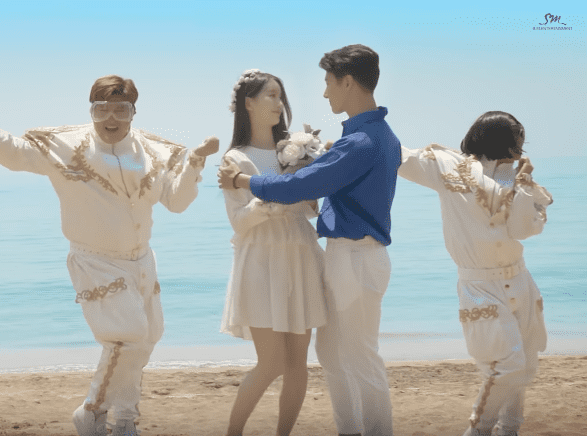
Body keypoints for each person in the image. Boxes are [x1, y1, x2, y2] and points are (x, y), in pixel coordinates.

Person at [0, 75, 219, 436]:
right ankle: (92, 412)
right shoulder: (66, 146)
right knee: (127, 336)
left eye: (121, 110)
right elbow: (16, 154)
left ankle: (125, 420)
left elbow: (176, 201)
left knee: (147, 338)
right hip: (94, 259)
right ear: (91, 110)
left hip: (142, 259)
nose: (111, 118)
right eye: (102, 109)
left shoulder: (154, 152)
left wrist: (195, 164)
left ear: (133, 112)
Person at [219, 44, 400, 436]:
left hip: (353, 256)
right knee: (333, 355)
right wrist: (316, 165)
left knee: (358, 357)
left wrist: (244, 181)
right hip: (342, 256)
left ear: (347, 82)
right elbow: (315, 193)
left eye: (329, 82)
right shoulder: (370, 137)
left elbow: (300, 188)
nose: (324, 92)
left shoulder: (361, 141)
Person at [398, 112, 552, 436]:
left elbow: (523, 230)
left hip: (520, 280)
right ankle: (478, 430)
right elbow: (402, 158)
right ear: (499, 140)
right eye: (516, 143)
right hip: (480, 284)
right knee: (506, 366)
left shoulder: (516, 177)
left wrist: (523, 186)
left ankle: (509, 430)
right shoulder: (446, 165)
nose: (519, 151)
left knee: (524, 364)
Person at [219, 69, 327, 436]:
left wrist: (310, 174)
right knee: (271, 363)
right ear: (248, 103)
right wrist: (274, 197)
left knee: (298, 363)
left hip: (300, 256)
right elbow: (239, 222)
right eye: (271, 95)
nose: (279, 103)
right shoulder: (235, 158)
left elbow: (311, 208)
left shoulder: (295, 151)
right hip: (261, 263)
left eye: (280, 95)